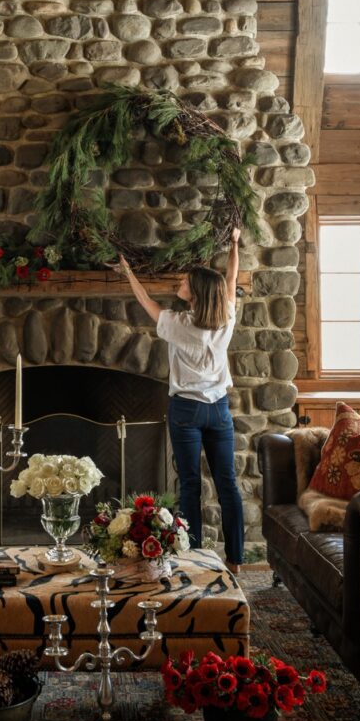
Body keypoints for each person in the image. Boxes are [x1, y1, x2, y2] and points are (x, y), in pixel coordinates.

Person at [115, 229, 244, 574]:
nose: (180, 284)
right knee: (227, 483)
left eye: (185, 282)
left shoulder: (177, 324)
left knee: (190, 484)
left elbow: (146, 303)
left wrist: (128, 272)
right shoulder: (226, 316)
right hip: (218, 410)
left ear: (194, 295)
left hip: (186, 410)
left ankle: (193, 556)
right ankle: (235, 560)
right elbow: (231, 277)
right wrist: (234, 243)